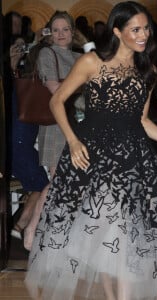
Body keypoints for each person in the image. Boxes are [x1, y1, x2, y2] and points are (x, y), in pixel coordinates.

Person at [25, 2, 157, 299]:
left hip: (132, 161)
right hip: (94, 157)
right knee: (106, 235)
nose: (143, 35)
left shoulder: (149, 69)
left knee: (123, 236)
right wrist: (73, 141)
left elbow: (141, 121)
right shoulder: (91, 62)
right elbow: (56, 101)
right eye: (135, 30)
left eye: (146, 29)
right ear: (117, 30)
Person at [23, 11, 86, 251]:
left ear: (72, 32)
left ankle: (57, 236)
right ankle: (33, 230)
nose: (61, 34)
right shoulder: (47, 54)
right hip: (56, 126)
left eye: (65, 29)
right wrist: (86, 95)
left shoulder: (82, 56)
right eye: (56, 29)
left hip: (81, 126)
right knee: (59, 181)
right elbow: (55, 90)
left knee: (74, 183)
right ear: (50, 32)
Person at [9, 35, 50, 240]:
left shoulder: (21, 81)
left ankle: (20, 227)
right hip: (18, 148)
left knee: (42, 182)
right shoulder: (24, 85)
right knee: (44, 184)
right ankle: (22, 226)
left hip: (18, 147)